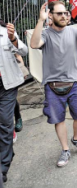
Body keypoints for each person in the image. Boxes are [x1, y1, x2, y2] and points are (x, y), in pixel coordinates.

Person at [30, 1, 77, 167]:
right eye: (59, 13)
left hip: (74, 83)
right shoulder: (45, 33)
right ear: (51, 15)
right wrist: (40, 20)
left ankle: (76, 139)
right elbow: (33, 44)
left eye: (65, 13)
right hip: (52, 86)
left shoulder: (74, 31)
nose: (64, 16)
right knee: (58, 119)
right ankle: (65, 149)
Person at [0, 21, 28, 183]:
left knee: (5, 124)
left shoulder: (5, 31)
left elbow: (23, 51)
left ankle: (3, 166)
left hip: (7, 86)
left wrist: (13, 39)